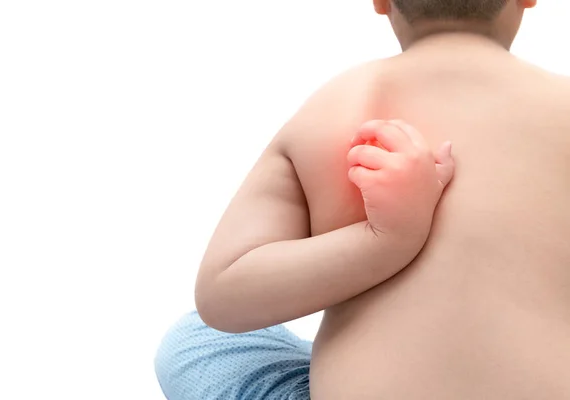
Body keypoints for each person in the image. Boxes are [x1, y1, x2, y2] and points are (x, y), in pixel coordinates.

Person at [156, 0, 570, 398]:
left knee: (196, 338)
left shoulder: (336, 105)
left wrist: (386, 241)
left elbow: (222, 298)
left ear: (381, 2)